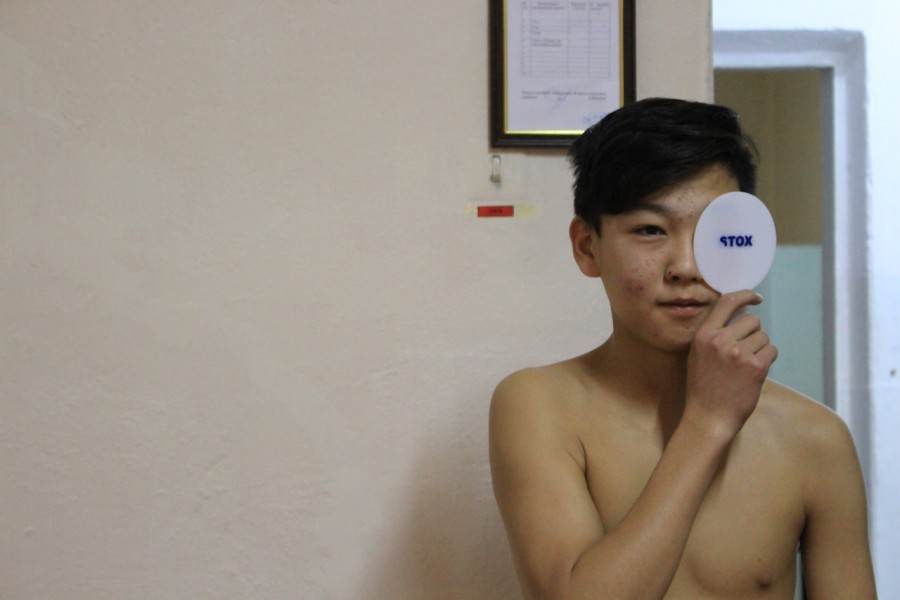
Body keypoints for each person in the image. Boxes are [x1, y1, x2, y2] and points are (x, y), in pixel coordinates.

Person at [489, 98, 877, 599]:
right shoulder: (539, 406)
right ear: (587, 246)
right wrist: (708, 421)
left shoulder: (816, 440)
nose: (686, 267)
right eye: (650, 230)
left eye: (716, 233)